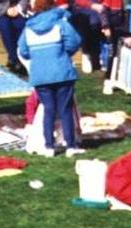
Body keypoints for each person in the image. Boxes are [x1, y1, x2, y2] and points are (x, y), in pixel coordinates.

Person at [18, 0, 84, 158]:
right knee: (65, 109)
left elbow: (23, 50)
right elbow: (75, 41)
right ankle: (71, 146)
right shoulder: (61, 23)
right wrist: (63, 54)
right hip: (61, 72)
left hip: (40, 75)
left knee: (48, 110)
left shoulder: (28, 28)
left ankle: (49, 146)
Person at [0, 0, 28, 75]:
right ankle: (15, 60)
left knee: (22, 25)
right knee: (5, 27)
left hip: (16, 10)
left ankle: (20, 58)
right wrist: (6, 10)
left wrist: (18, 8)